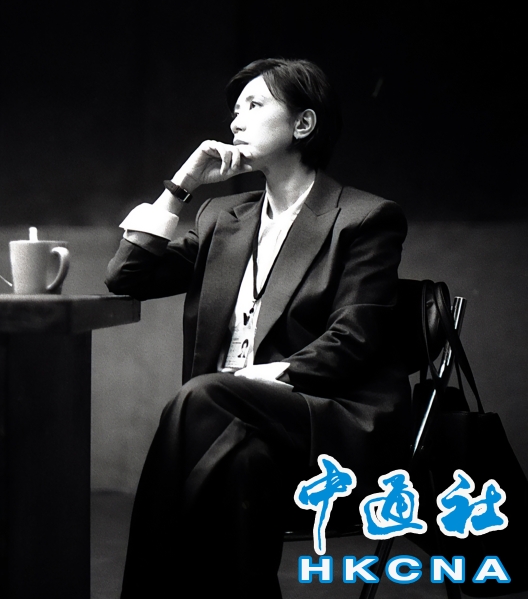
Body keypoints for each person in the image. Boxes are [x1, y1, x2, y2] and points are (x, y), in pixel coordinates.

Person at [106, 58, 411, 598]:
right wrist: (180, 187)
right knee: (242, 464)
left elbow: (353, 340)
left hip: (322, 419)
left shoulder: (364, 218)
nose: (235, 121)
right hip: (231, 428)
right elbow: (127, 276)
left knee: (202, 395)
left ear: (303, 124)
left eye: (253, 105)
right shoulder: (222, 217)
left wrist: (257, 379)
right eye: (234, 109)